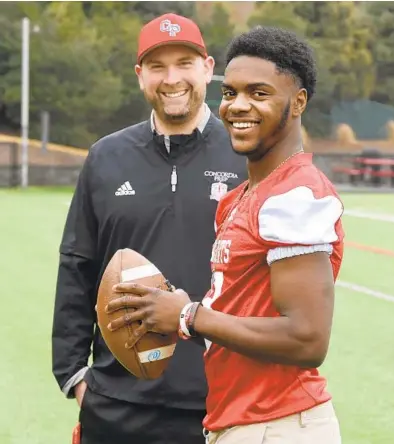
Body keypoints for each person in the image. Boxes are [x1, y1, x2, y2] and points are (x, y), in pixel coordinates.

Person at [106, 26, 345, 444]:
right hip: (242, 421)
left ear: (299, 101)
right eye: (231, 93)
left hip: (279, 424)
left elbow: (307, 338)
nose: (238, 106)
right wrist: (171, 315)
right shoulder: (239, 198)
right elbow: (238, 320)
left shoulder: (295, 194)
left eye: (259, 93)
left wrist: (187, 315)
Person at [51, 13, 247, 444]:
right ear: (140, 76)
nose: (171, 78)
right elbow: (77, 266)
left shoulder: (245, 154)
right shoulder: (106, 157)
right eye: (158, 66)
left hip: (219, 402)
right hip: (118, 403)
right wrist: (74, 376)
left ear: (208, 69)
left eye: (184, 63)